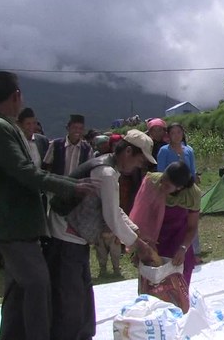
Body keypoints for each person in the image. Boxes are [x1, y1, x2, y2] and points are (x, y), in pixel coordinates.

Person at [0, 71, 97, 340]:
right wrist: (71, 186)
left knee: (18, 291)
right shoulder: (2, 128)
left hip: (19, 225)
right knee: (38, 285)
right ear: (16, 96)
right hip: (15, 226)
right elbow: (25, 172)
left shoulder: (8, 127)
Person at [45, 129, 157, 340]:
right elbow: (112, 216)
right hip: (65, 238)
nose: (137, 168)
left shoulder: (108, 169)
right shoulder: (105, 173)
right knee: (70, 303)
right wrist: (138, 244)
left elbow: (114, 209)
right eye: (138, 162)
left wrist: (134, 230)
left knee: (84, 299)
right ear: (128, 152)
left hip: (77, 240)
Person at [130, 161, 202, 285]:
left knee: (179, 280)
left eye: (167, 186)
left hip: (178, 237)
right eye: (163, 180)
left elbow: (192, 226)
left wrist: (183, 249)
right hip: (154, 237)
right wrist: (141, 245)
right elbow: (140, 216)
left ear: (179, 188)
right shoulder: (151, 182)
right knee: (152, 281)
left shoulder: (192, 194)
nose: (162, 186)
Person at [157, 122, 202, 264]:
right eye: (173, 133)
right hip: (170, 193)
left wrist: (194, 182)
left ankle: (194, 252)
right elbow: (160, 172)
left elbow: (192, 169)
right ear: (168, 136)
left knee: (191, 222)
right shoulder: (164, 151)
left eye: (179, 132)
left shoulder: (188, 150)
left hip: (187, 191)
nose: (176, 136)